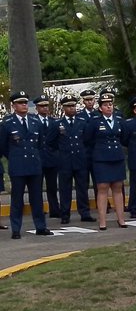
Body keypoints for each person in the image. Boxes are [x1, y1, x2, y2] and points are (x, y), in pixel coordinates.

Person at [1, 91, 52, 238]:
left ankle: (40, 226)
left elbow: (41, 143)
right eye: (20, 103)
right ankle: (16, 229)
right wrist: (14, 157)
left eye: (25, 103)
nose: (24, 105)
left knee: (36, 198)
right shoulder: (8, 123)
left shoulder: (35, 121)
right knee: (17, 199)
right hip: (18, 165)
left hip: (34, 164)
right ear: (14, 105)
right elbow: (3, 146)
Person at [85, 93, 127, 230]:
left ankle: (121, 219)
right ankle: (102, 221)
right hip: (101, 158)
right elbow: (88, 139)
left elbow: (124, 138)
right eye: (105, 105)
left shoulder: (119, 120)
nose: (109, 107)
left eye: (110, 104)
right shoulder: (95, 121)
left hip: (117, 157)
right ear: (100, 108)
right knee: (102, 188)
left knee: (118, 187)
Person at [50, 95, 95, 223]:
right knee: (65, 189)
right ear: (63, 108)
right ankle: (65, 214)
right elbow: (50, 142)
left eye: (73, 106)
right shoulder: (57, 123)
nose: (71, 108)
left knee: (82, 188)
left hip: (80, 159)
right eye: (69, 106)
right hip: (65, 161)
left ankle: (85, 213)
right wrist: (61, 152)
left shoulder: (82, 122)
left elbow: (87, 139)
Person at [32, 95, 61, 220]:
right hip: (38, 158)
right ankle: (38, 210)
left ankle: (54, 209)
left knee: (52, 186)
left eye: (46, 106)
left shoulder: (53, 121)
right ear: (37, 108)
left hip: (51, 158)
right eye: (42, 106)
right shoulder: (33, 121)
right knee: (36, 187)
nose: (44, 108)